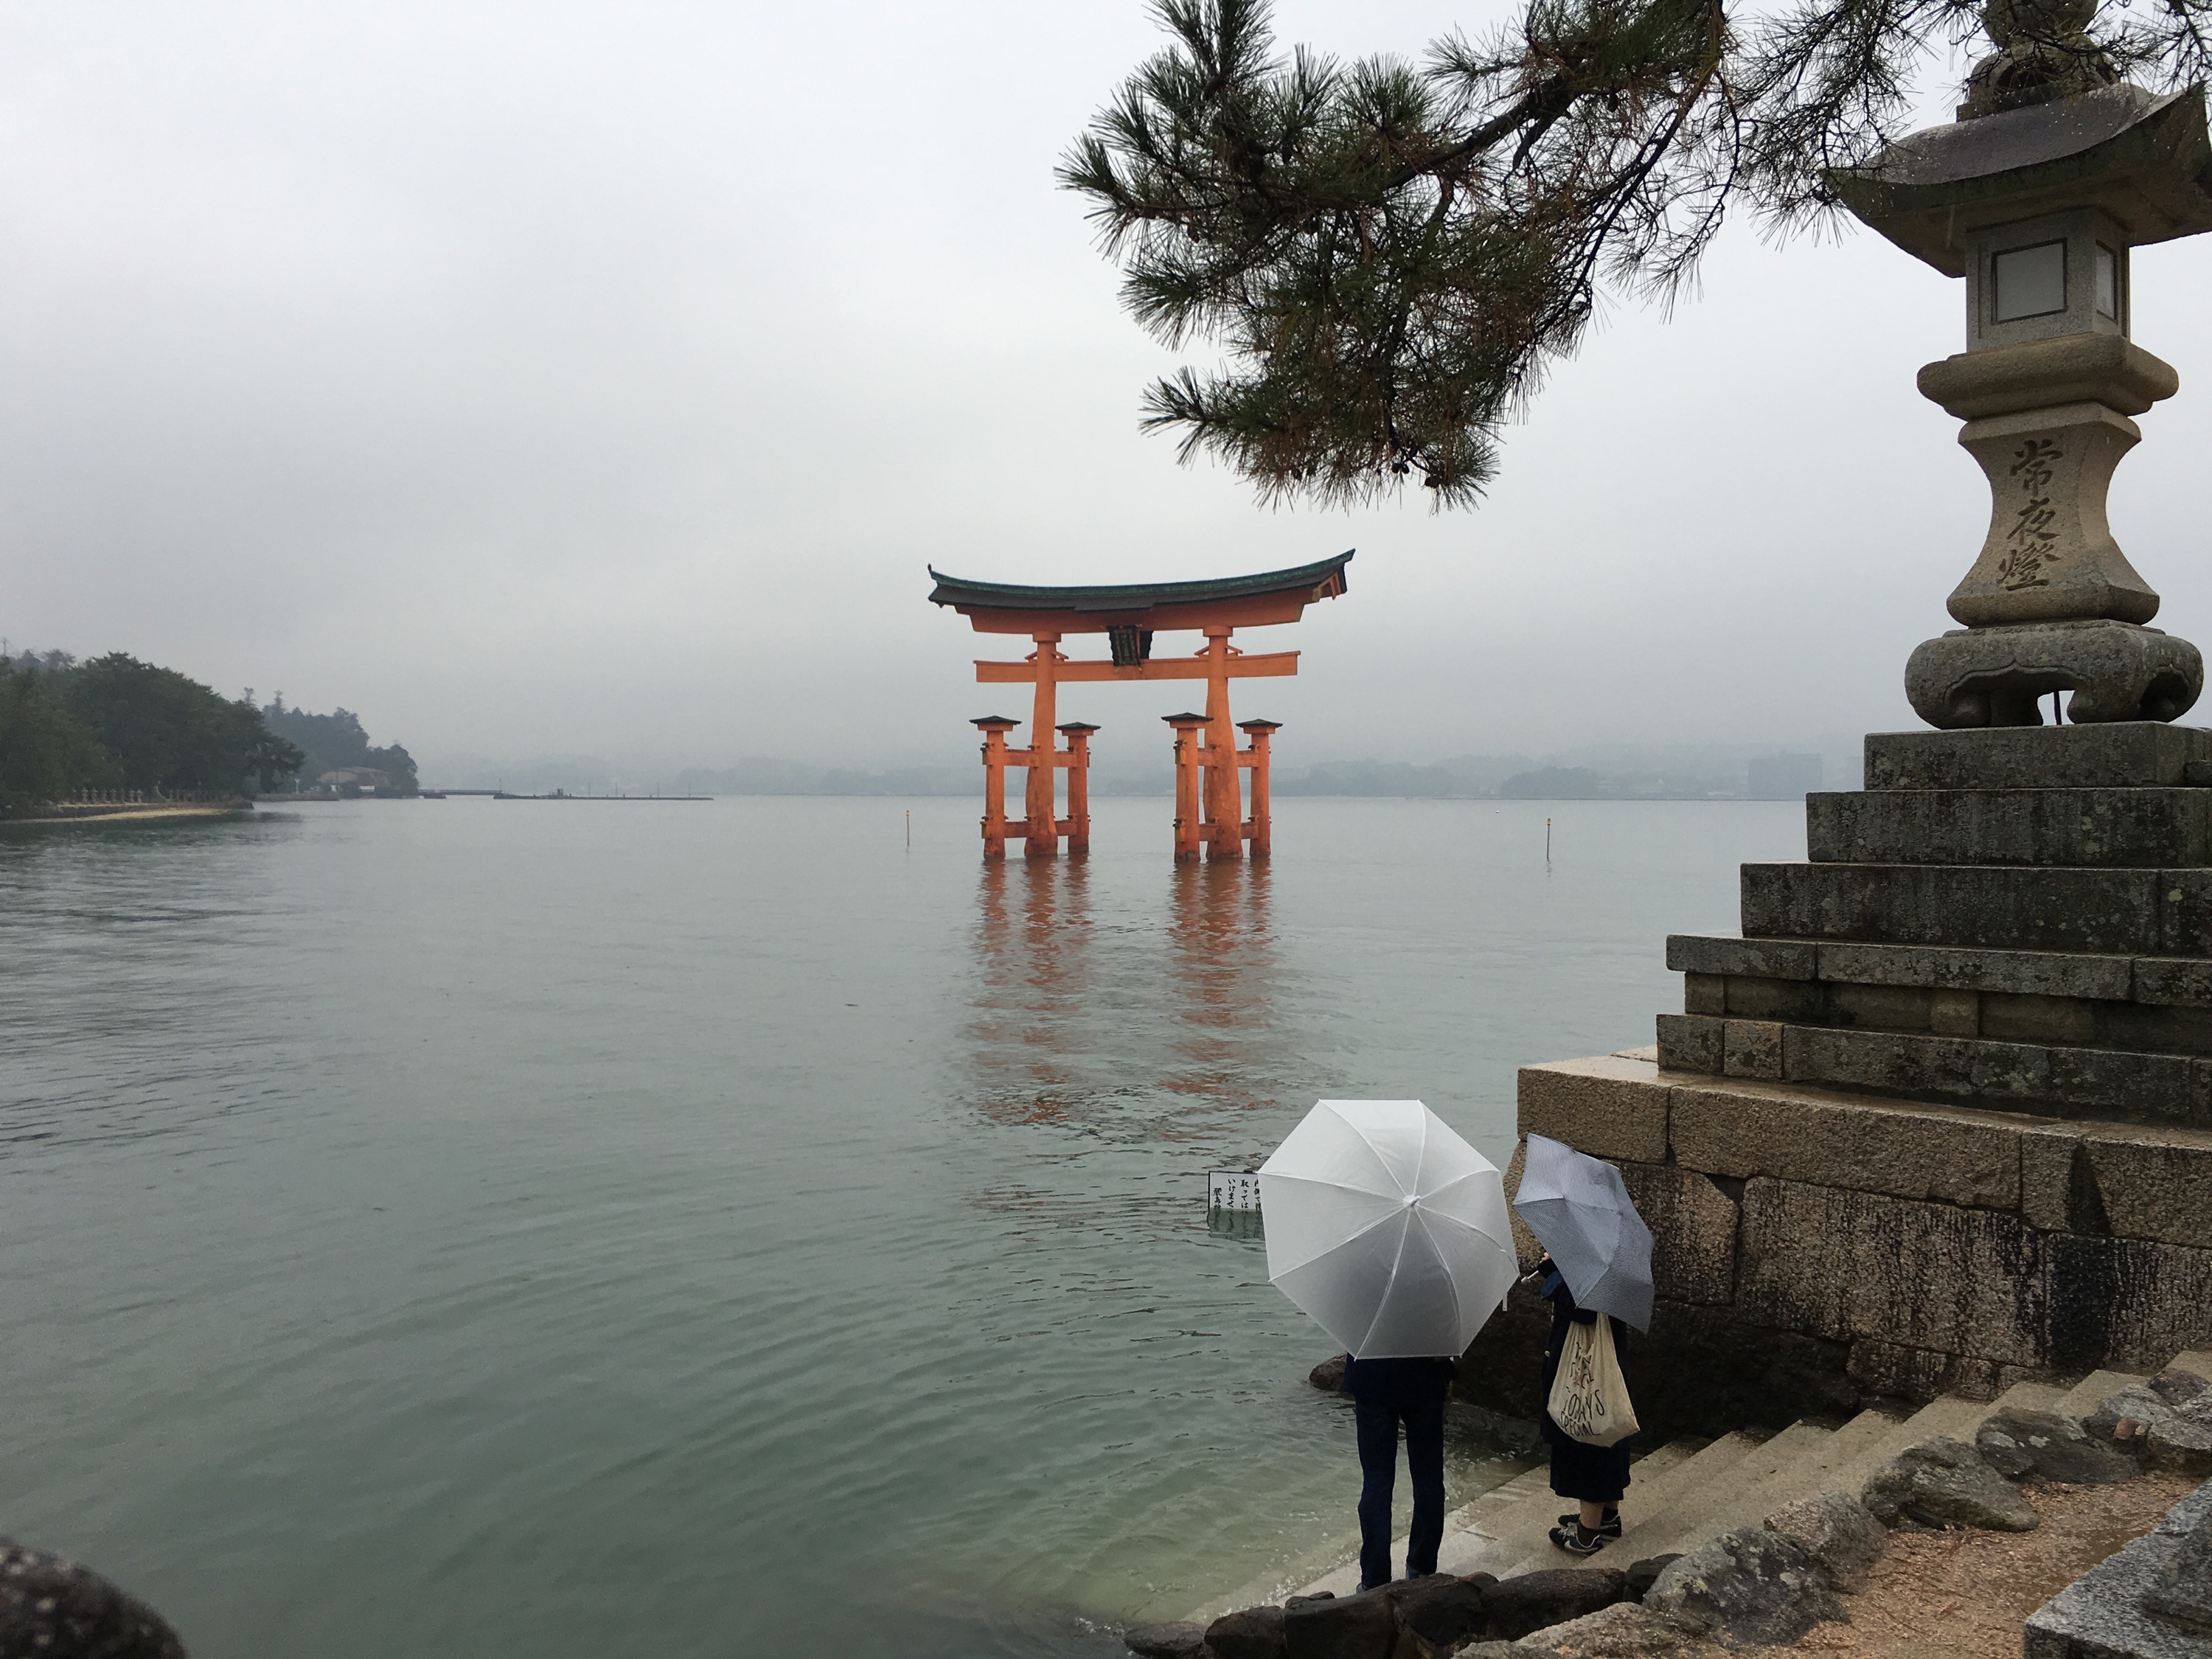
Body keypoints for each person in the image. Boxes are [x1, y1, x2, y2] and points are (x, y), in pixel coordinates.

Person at [1536, 1252, 1632, 1555]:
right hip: (1607, 1360)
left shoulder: (1594, 1254)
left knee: (1586, 1434)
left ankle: (1588, 1533)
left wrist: (1552, 1271)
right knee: (1605, 1429)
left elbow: (1583, 1307)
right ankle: (1607, 1514)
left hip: (1584, 1368)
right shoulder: (1617, 1250)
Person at [1342, 1353, 1456, 1590]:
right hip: (1425, 1375)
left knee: (1376, 1480)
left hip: (1372, 1377)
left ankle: (1375, 1581)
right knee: (1429, 1477)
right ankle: (1422, 1569)